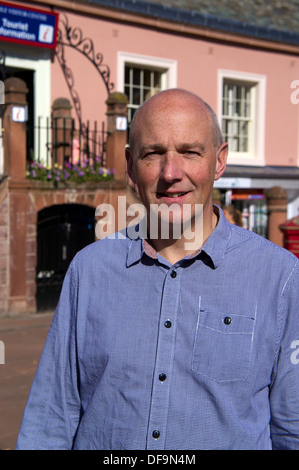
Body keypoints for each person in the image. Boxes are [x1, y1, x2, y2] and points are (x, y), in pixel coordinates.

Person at [16, 89, 299, 450]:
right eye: (153, 154)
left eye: (189, 152)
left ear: (219, 161)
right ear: (132, 165)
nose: (170, 172)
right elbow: (50, 420)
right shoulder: (89, 272)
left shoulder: (280, 278)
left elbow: (292, 430)